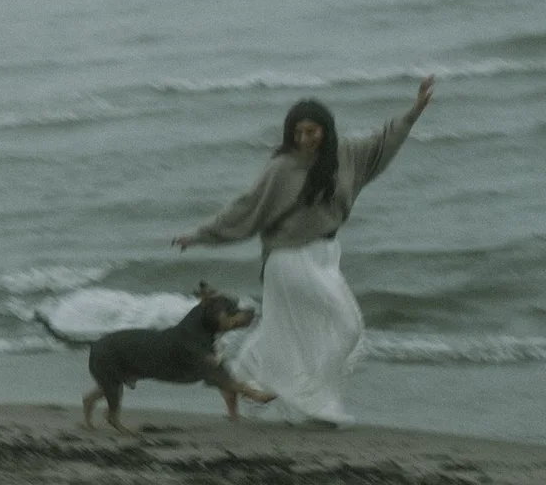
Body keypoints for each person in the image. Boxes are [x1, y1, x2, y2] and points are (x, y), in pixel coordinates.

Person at [170, 76, 435, 428]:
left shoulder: (346, 155)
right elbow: (246, 208)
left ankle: (245, 375)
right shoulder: (281, 168)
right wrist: (199, 235)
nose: (305, 139)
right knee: (345, 326)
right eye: (298, 133)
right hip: (288, 259)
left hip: (325, 255)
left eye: (312, 132)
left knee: (291, 332)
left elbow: (383, 143)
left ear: (326, 130)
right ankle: (311, 399)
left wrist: (414, 111)